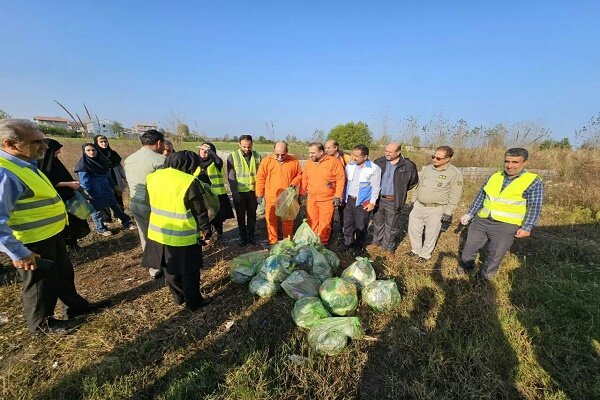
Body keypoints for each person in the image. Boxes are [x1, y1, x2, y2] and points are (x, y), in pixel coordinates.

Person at [0, 119, 104, 334]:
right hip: (32, 241)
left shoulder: (25, 163)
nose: (44, 147)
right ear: (9, 144)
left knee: (63, 274)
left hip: (51, 234)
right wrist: (19, 253)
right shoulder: (5, 173)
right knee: (40, 284)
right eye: (36, 142)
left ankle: (75, 306)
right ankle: (42, 324)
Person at [459, 148, 544, 281]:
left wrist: (527, 227)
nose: (510, 166)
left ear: (524, 163)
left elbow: (534, 206)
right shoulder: (495, 176)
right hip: (482, 220)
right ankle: (465, 269)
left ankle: (484, 279)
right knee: (469, 249)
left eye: (515, 162)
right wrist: (470, 213)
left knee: (494, 254)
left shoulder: (532, 181)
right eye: (507, 161)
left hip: (506, 225)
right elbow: (481, 196)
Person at [142, 151, 212, 310]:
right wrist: (206, 232)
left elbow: (148, 202)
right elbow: (199, 211)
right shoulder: (188, 181)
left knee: (170, 270)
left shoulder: (153, 177)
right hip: (182, 235)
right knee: (190, 272)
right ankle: (194, 302)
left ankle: (179, 297)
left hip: (159, 232)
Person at [407, 146, 463, 263]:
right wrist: (413, 200)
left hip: (436, 208)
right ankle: (416, 250)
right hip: (419, 205)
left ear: (447, 159)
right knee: (414, 229)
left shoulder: (454, 173)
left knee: (431, 233)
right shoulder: (428, 169)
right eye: (433, 156)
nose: (434, 160)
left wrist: (448, 212)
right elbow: (419, 186)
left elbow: (455, 195)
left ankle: (425, 254)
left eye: (438, 158)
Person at [123, 129, 166, 277]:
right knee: (161, 235)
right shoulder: (160, 160)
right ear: (159, 143)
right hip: (153, 205)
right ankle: (166, 265)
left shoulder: (129, 159)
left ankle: (153, 269)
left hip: (134, 202)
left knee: (145, 235)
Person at [38, 138, 90, 251]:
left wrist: (72, 184)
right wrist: (69, 184)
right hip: (57, 199)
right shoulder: (42, 165)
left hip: (68, 197)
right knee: (63, 224)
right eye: (57, 150)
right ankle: (67, 246)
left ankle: (74, 245)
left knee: (74, 221)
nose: (59, 152)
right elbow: (48, 182)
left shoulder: (55, 161)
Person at [74, 143, 135, 236]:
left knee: (116, 207)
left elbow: (109, 177)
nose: (91, 152)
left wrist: (115, 187)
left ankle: (127, 222)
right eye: (88, 150)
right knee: (96, 213)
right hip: (93, 193)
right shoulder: (83, 165)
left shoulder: (102, 162)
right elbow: (84, 183)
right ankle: (101, 229)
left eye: (93, 150)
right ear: (84, 152)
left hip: (106, 191)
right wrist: (86, 196)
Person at [372, 142, 419, 253]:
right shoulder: (379, 162)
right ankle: (376, 242)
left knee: (391, 226)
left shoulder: (408, 165)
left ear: (398, 152)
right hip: (379, 199)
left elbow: (413, 181)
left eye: (390, 152)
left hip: (393, 200)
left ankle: (388, 248)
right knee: (378, 222)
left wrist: (400, 190)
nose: (387, 153)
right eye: (386, 151)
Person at [255, 141, 303, 244]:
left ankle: (287, 242)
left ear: (287, 151)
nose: (280, 157)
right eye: (277, 154)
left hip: (287, 197)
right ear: (273, 151)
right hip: (271, 196)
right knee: (271, 220)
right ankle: (273, 242)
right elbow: (260, 178)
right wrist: (259, 193)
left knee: (288, 221)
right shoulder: (267, 161)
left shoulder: (294, 161)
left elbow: (300, 175)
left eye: (283, 154)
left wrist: (294, 183)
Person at [300, 142, 346, 245]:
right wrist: (301, 193)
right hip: (312, 198)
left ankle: (322, 244)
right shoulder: (309, 163)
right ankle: (312, 241)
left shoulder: (333, 162)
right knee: (312, 220)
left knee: (325, 223)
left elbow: (340, 178)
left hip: (327, 198)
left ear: (321, 152)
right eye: (309, 153)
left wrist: (338, 195)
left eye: (312, 153)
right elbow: (304, 178)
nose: (310, 155)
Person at [342, 144, 381, 256]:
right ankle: (347, 243)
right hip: (349, 200)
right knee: (348, 223)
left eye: (357, 156)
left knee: (361, 225)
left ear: (365, 157)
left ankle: (359, 246)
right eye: (353, 154)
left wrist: (372, 202)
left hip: (362, 202)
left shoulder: (373, 168)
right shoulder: (350, 166)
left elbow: (376, 187)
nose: (353, 157)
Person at [227, 135, 262, 246]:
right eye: (244, 147)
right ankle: (243, 237)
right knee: (241, 217)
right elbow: (231, 177)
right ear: (239, 145)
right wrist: (234, 193)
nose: (247, 149)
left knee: (252, 216)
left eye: (249, 146)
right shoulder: (232, 156)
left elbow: (261, 176)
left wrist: (259, 193)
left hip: (253, 192)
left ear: (252, 144)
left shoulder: (257, 156)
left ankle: (251, 236)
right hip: (239, 193)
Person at [196, 142, 234, 241]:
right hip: (202, 196)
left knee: (217, 219)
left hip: (216, 195)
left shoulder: (215, 163)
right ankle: (206, 238)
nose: (204, 153)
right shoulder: (195, 163)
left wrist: (211, 152)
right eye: (202, 150)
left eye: (207, 151)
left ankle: (217, 237)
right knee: (204, 218)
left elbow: (218, 161)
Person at [93, 135, 127, 222]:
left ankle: (120, 216)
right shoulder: (94, 154)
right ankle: (107, 219)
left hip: (115, 176)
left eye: (105, 141)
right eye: (101, 142)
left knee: (118, 196)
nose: (104, 143)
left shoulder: (113, 153)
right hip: (103, 179)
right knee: (104, 198)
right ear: (96, 143)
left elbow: (119, 167)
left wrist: (124, 177)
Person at [324, 139, 352, 234]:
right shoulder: (325, 159)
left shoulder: (346, 158)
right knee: (328, 213)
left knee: (343, 213)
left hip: (344, 190)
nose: (326, 150)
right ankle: (328, 232)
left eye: (329, 148)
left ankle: (344, 233)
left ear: (336, 148)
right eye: (325, 148)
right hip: (329, 191)